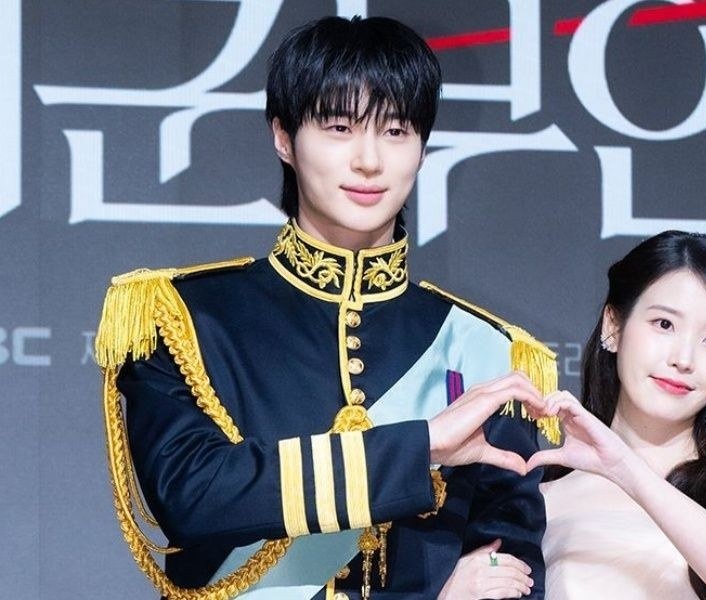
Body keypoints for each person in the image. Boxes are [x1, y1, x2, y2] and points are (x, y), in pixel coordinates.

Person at [95, 16, 555, 600]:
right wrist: (421, 448)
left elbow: (510, 566)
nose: (369, 160)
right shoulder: (181, 316)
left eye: (396, 130)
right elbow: (193, 497)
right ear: (284, 137)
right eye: (339, 127)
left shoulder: (485, 348)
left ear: (422, 148)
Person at [526, 231, 706, 599]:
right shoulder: (540, 501)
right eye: (664, 324)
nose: (683, 359)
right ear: (613, 326)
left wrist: (624, 468)